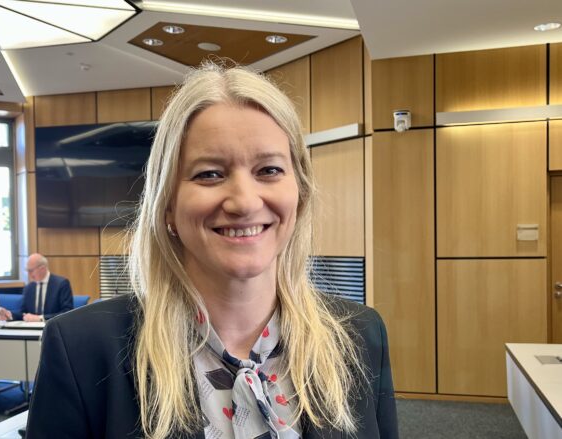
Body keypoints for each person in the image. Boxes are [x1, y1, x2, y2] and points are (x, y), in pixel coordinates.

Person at [25, 63, 398, 438]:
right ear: (168, 204)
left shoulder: (361, 335)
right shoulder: (81, 350)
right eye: (210, 174)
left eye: (268, 170)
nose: (244, 202)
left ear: (299, 193)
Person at [0, 253, 73, 322]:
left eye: (31, 271)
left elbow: (67, 312)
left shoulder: (61, 284)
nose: (29, 274)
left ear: (42, 268)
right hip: (31, 329)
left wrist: (41, 318)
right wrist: (9, 314)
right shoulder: (29, 288)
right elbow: (24, 313)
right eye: (27, 271)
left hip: (53, 328)